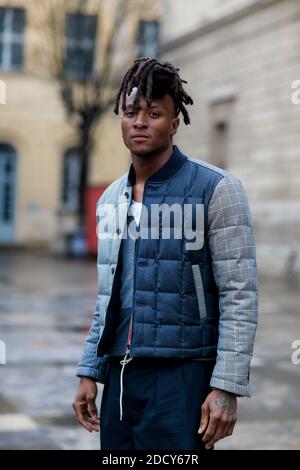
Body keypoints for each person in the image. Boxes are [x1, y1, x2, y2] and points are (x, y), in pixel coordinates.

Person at [73, 57, 259, 451]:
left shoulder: (217, 189)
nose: (140, 122)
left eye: (154, 113)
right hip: (120, 379)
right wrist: (89, 370)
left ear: (174, 124)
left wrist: (226, 385)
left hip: (183, 377)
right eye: (130, 112)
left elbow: (239, 294)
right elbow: (107, 298)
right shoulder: (111, 199)